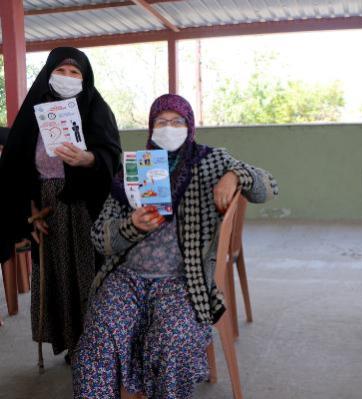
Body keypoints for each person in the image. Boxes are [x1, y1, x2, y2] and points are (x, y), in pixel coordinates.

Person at [72, 94, 278, 399]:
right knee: (99, 338)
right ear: (151, 127)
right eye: (161, 122)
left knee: (173, 339)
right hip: (128, 277)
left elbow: (268, 187)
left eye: (177, 121)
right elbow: (100, 238)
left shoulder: (211, 162)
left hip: (182, 280)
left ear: (190, 125)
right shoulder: (134, 168)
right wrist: (132, 227)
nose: (169, 128)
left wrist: (235, 176)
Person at [0, 47, 121, 361]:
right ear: (48, 73)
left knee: (88, 273)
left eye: (75, 73)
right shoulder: (34, 110)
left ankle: (96, 344)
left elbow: (110, 154)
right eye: (61, 71)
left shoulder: (96, 107)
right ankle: (71, 343)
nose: (67, 78)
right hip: (46, 206)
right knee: (58, 276)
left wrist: (87, 158)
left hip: (85, 204)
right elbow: (15, 165)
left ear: (85, 78)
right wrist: (28, 213)